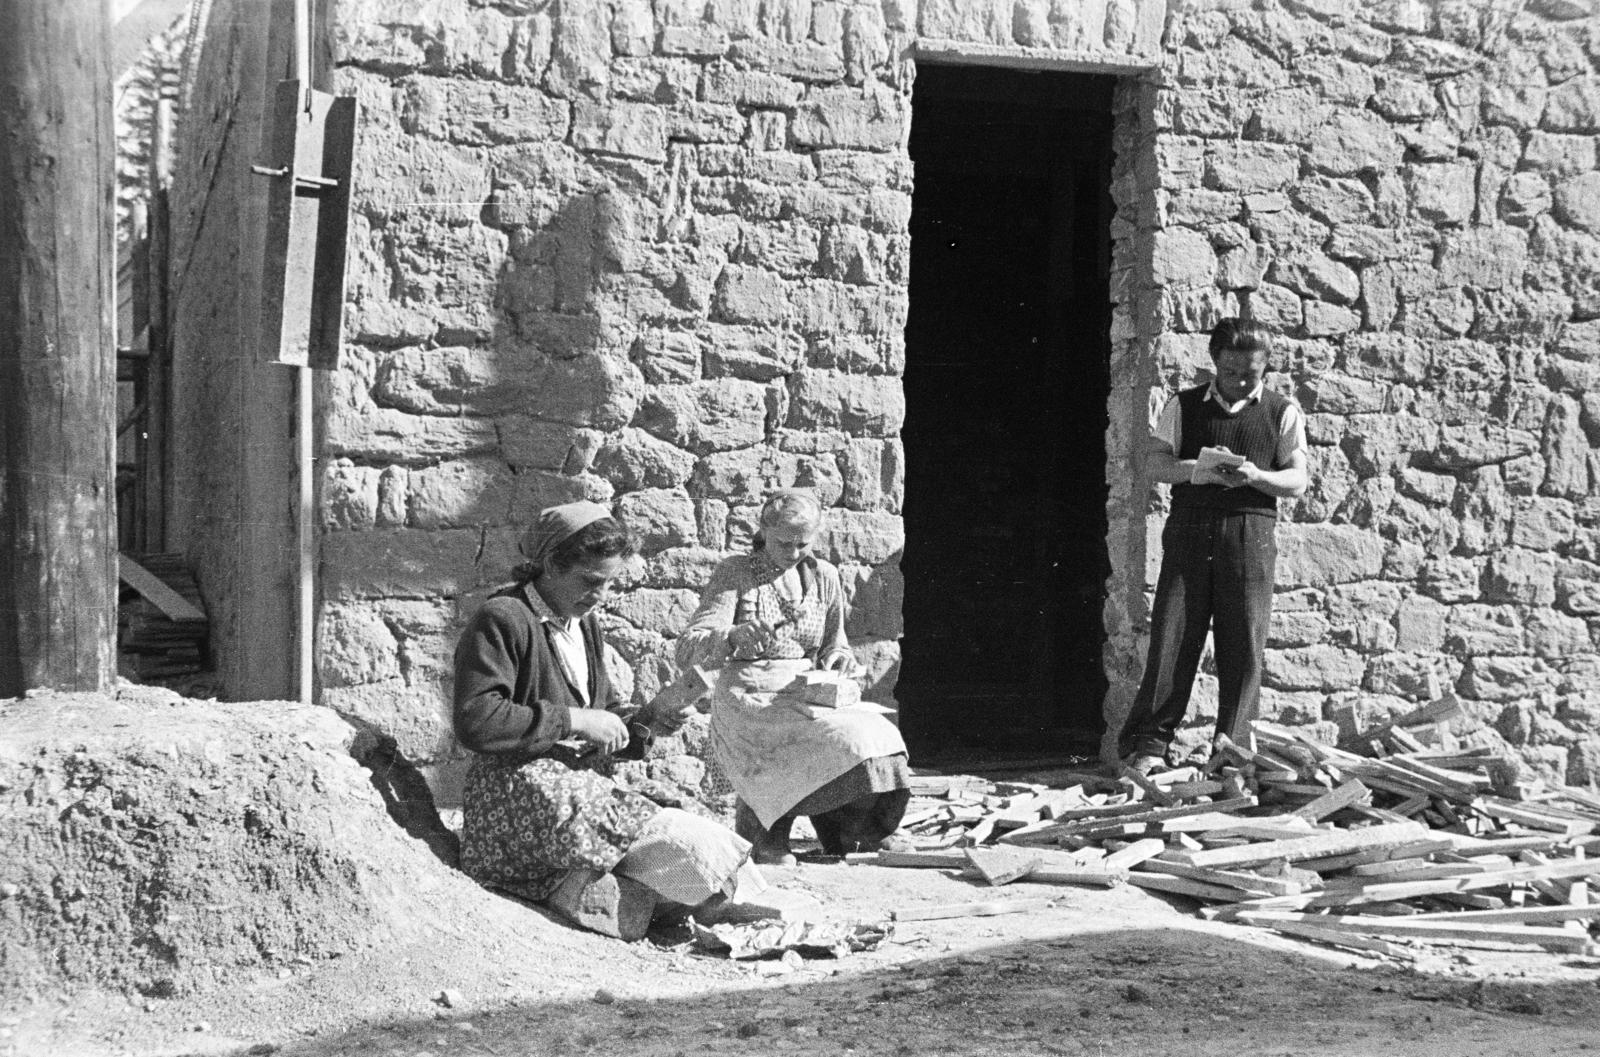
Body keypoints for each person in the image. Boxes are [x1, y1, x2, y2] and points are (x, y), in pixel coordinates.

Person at [452, 501, 750, 935]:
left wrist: (647, 720)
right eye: (590, 581)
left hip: (580, 776)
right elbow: (477, 720)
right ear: (551, 565)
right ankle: (588, 888)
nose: (600, 596)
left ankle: (602, 888)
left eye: (608, 584)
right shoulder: (503, 618)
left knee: (700, 834)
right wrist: (572, 720)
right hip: (515, 790)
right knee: (683, 848)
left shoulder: (583, 623)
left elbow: (602, 716)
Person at [677, 489, 911, 865]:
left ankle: (856, 829)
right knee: (809, 737)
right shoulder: (736, 572)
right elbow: (689, 647)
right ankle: (766, 833)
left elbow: (836, 645)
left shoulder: (825, 576)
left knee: (876, 734)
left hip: (805, 691)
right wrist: (732, 636)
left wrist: (838, 661)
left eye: (802, 544)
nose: (792, 552)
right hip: (750, 695)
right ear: (764, 532)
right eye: (783, 543)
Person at [1116, 318, 1309, 775]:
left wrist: (1258, 477)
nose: (1241, 380)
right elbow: (1154, 464)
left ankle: (1232, 751)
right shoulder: (1183, 406)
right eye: (1231, 371)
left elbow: (1298, 478)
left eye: (1252, 373)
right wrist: (1194, 471)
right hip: (1190, 527)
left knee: (1243, 639)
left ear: (1265, 367)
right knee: (1173, 632)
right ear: (1214, 362)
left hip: (1250, 530)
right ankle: (1149, 746)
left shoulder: (1283, 411)